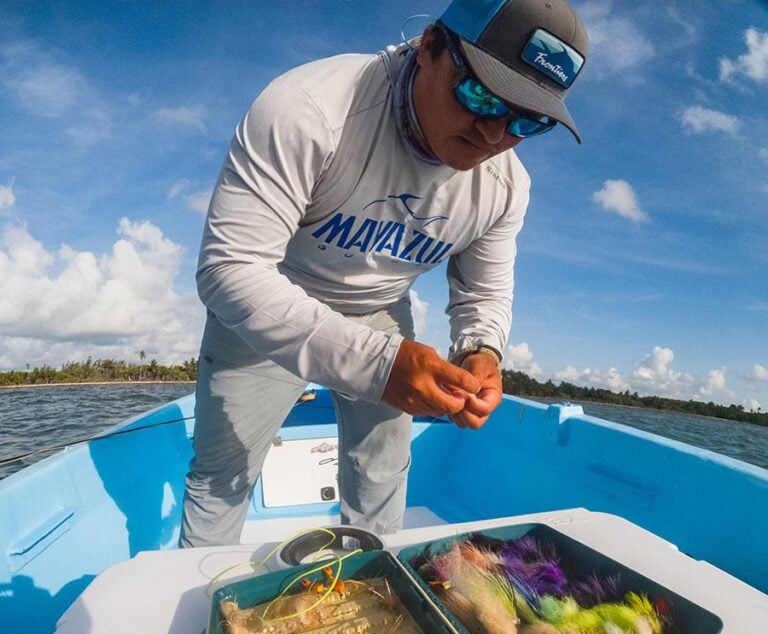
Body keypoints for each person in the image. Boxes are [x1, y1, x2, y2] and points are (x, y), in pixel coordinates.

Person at [179, 0, 589, 548]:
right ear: (429, 47)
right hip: (267, 301)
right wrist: (377, 363)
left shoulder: (507, 187)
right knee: (222, 478)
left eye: (527, 121)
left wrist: (481, 352)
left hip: (380, 311)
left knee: (382, 472)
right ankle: (199, 603)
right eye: (482, 95)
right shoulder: (309, 110)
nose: (494, 135)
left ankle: (375, 586)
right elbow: (231, 267)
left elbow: (483, 292)